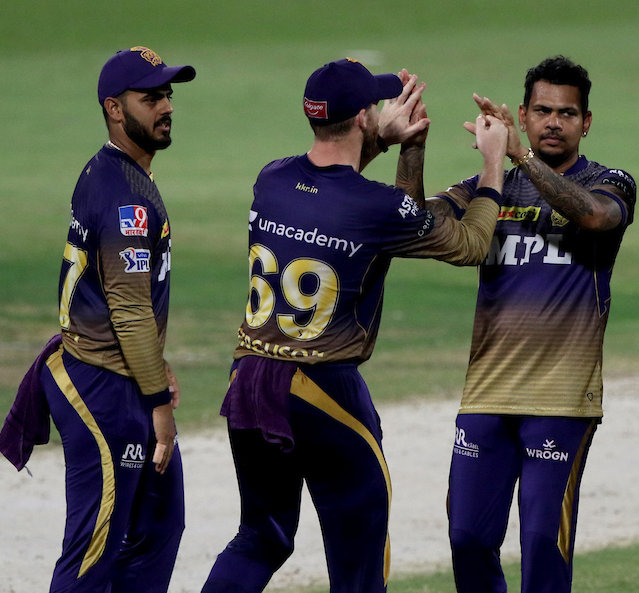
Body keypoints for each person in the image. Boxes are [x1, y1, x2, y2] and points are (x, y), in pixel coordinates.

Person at [201, 59, 507, 593]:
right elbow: (471, 244)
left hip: (247, 379)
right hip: (324, 389)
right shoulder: (375, 206)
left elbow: (347, 197)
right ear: (364, 117)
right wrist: (494, 167)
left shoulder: (271, 178)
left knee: (261, 536)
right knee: (359, 561)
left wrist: (395, 144)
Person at [412, 57, 635, 593]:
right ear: (524, 115)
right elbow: (415, 225)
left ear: (587, 122)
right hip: (487, 395)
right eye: (542, 111)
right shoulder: (488, 189)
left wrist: (521, 159)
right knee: (466, 537)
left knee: (542, 545)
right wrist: (412, 145)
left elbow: (593, 218)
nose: (554, 121)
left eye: (566, 113)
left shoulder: (611, 183)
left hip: (562, 400)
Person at [0, 46, 196, 592]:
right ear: (114, 108)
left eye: (168, 94)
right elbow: (128, 308)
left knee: (159, 525)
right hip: (101, 387)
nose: (166, 106)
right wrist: (158, 404)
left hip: (122, 374)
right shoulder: (122, 194)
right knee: (93, 547)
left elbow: (117, 297)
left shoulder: (122, 174)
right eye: (150, 97)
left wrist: (156, 367)